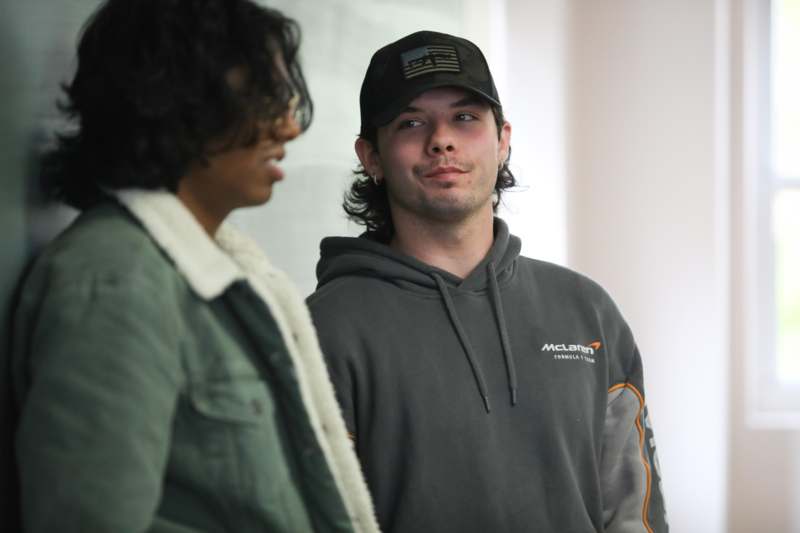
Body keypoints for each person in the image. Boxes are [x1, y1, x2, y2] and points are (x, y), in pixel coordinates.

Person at [10, 1, 379, 531]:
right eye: (260, 98)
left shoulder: (201, 268)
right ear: (175, 101)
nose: (289, 128)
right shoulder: (119, 278)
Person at [307, 30, 668, 533]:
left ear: (502, 141)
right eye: (411, 122)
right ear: (371, 158)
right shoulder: (323, 328)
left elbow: (631, 510)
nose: (442, 140)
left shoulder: (586, 310)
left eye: (465, 117)